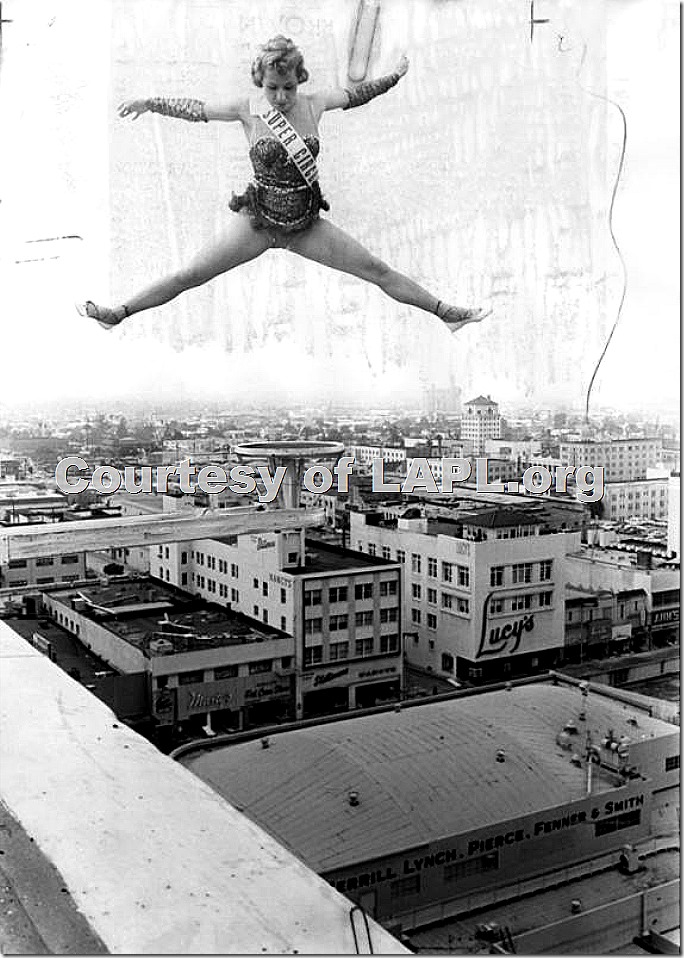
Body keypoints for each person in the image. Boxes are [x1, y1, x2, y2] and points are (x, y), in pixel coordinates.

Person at [79, 36, 491, 334]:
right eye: (271, 88)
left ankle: (446, 314)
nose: (279, 97)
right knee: (190, 274)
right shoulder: (246, 109)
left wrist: (395, 76)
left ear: (300, 79)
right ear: (260, 81)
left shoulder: (315, 103)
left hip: (305, 225)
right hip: (257, 222)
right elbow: (196, 110)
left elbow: (360, 93)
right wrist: (151, 103)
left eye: (288, 88)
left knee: (377, 271)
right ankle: (119, 313)